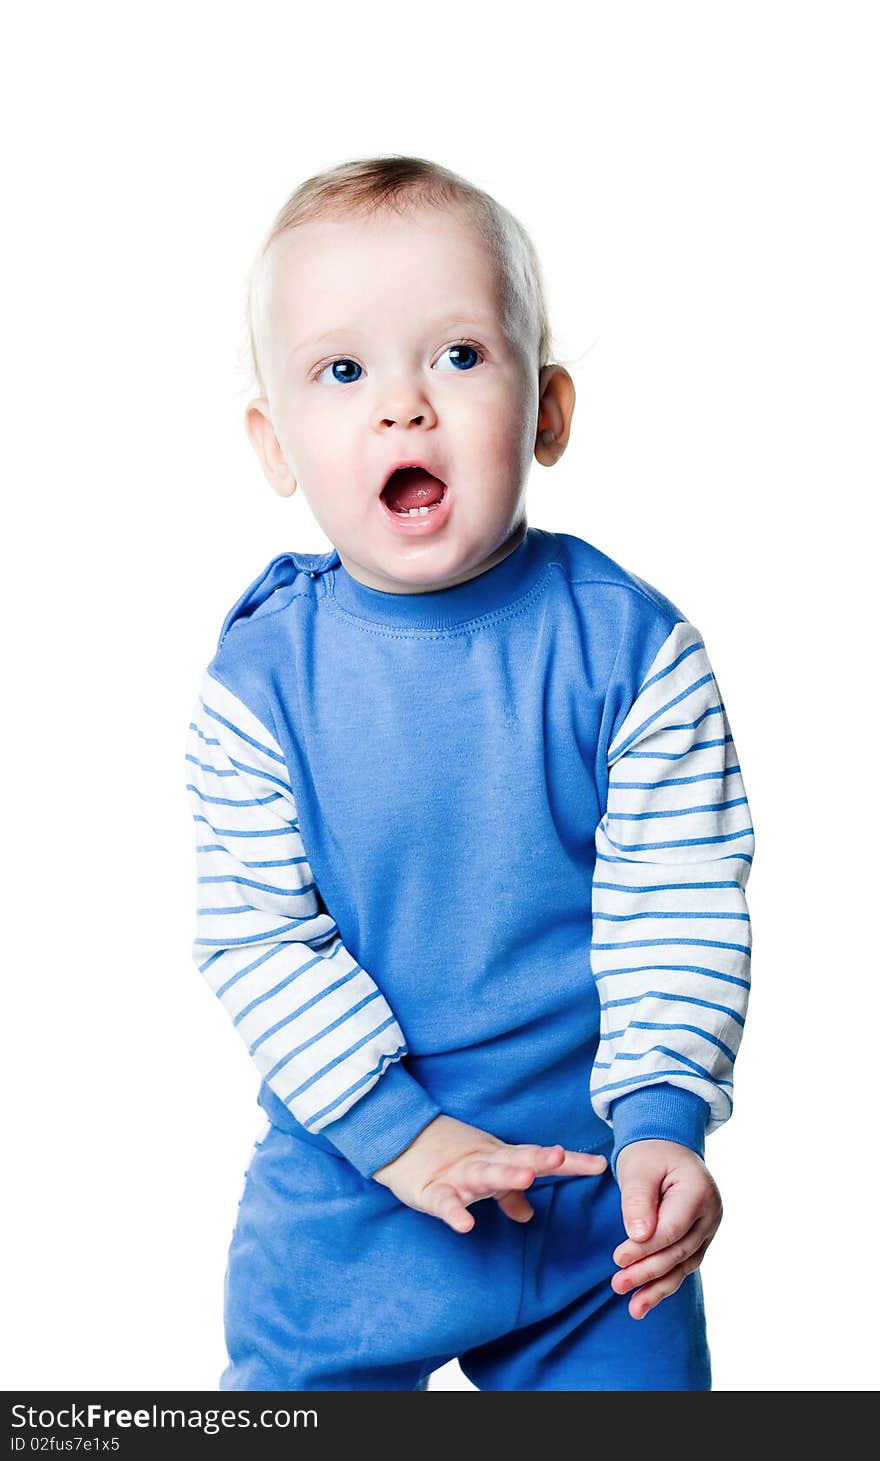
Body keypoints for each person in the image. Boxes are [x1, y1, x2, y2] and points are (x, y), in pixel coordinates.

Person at [184, 154, 755, 1392]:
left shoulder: (632, 651)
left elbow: (680, 901)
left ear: (547, 412)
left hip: (594, 1223)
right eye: (342, 372)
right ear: (274, 444)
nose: (402, 406)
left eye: (456, 356)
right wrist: (403, 1137)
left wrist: (665, 1118)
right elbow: (259, 939)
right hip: (351, 1210)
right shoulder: (260, 686)